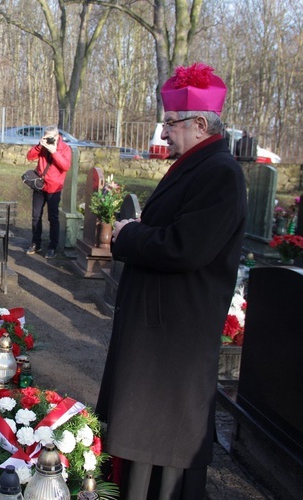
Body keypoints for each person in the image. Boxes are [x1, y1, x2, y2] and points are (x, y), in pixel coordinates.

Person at [96, 63, 247, 499]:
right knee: (141, 439)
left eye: (170, 124)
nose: (164, 135)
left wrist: (128, 235)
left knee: (161, 450)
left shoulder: (220, 172)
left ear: (200, 123)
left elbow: (186, 248)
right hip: (159, 337)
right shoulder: (199, 165)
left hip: (173, 342)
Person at [25, 126, 72, 259]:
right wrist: (40, 146)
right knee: (35, 216)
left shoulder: (65, 149)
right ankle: (36, 243)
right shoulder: (42, 147)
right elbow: (29, 156)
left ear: (57, 137)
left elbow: (65, 166)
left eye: (50, 137)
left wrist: (54, 151)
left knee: (53, 218)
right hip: (40, 186)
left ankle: (53, 247)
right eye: (46, 137)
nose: (48, 140)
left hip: (54, 187)